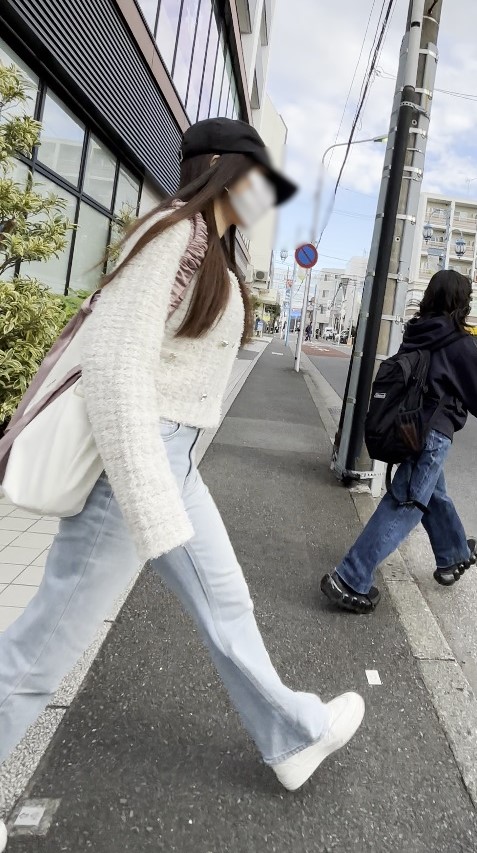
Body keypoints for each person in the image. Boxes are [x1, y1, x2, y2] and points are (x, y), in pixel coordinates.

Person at [0, 118, 364, 832]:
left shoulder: (208, 248)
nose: (269, 195)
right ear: (226, 169)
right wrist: (150, 500)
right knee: (42, 650)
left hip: (172, 459)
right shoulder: (171, 234)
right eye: (261, 177)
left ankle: (292, 735)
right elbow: (112, 369)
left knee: (227, 602)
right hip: (133, 462)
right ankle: (295, 730)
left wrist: (170, 483)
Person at [321, 270, 477, 614]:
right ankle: (350, 577)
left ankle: (453, 556)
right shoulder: (461, 344)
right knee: (405, 504)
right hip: (432, 437)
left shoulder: (417, 331)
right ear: (459, 303)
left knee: (431, 494)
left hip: (409, 429)